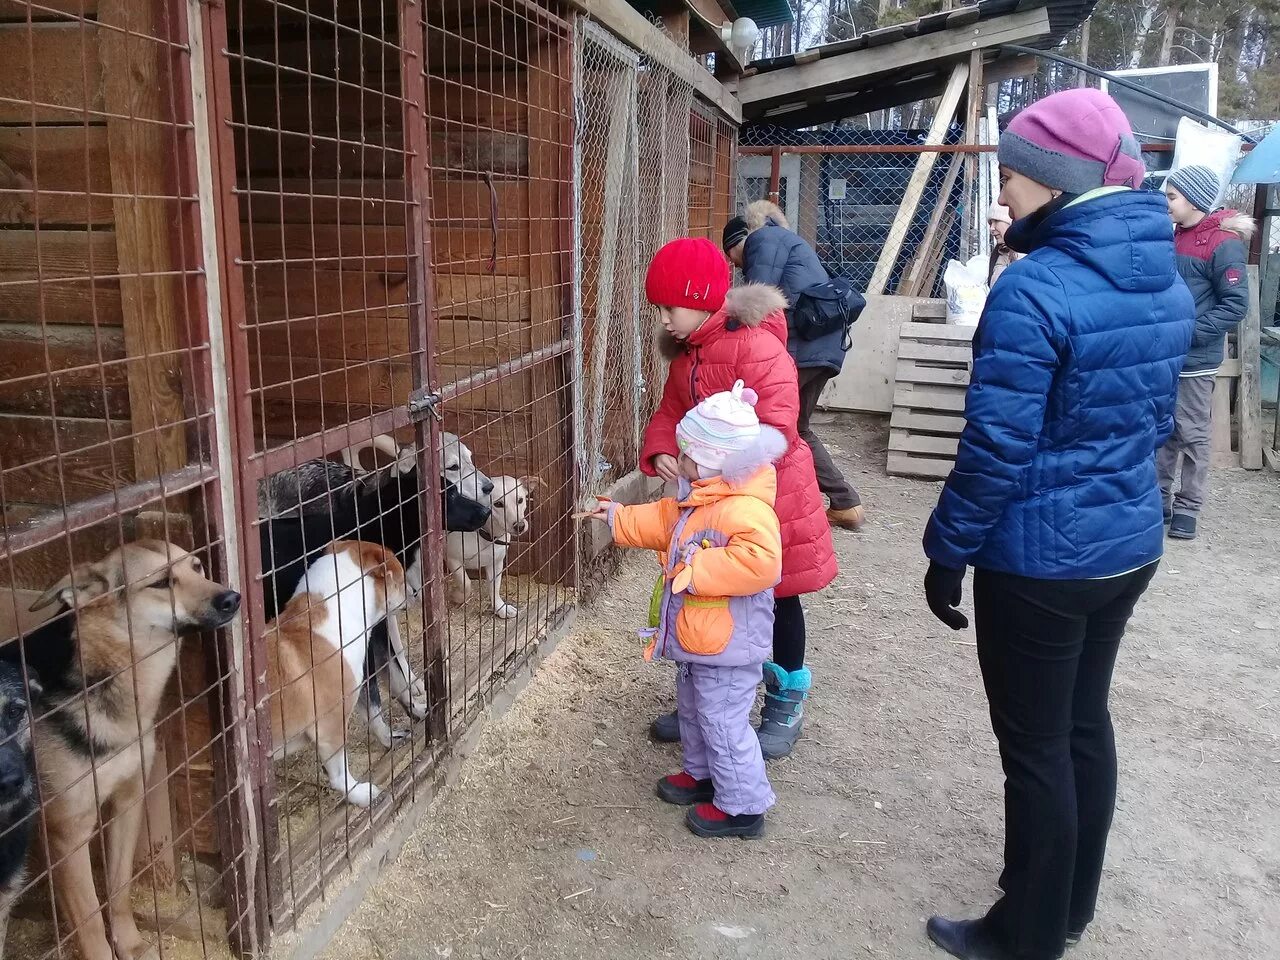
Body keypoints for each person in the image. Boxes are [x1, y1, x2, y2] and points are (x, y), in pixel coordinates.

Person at [920, 88, 1194, 960]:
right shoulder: (1163, 276)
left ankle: (1026, 935)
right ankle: (1068, 903)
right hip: (1126, 543)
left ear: (1058, 182)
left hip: (1042, 562)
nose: (1003, 195)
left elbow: (995, 448)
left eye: (1012, 178)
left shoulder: (1036, 288)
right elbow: (1150, 422)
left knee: (1036, 746)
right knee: (1083, 723)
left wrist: (946, 550)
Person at [640, 237, 837, 760]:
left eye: (669, 307)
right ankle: (707, 704)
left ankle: (784, 698)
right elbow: (670, 410)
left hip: (769, 500)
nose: (662, 320)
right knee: (710, 598)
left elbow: (780, 427)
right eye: (658, 309)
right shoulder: (688, 354)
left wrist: (715, 464)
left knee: (779, 596)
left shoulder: (755, 345)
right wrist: (662, 448)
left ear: (701, 297)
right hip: (710, 498)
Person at [586, 381, 785, 839]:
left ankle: (743, 806)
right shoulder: (700, 496)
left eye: (688, 453)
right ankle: (702, 774)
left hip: (729, 646)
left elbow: (761, 562)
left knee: (723, 719)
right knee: (695, 711)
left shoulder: (745, 509)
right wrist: (617, 516)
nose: (681, 461)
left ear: (715, 459)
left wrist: (698, 568)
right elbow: (662, 520)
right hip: (700, 639)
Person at [722, 202, 865, 532]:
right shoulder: (787, 241)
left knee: (763, 421)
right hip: (825, 348)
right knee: (796, 428)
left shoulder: (762, 240)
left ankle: (759, 503)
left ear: (737, 243)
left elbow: (755, 299)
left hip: (805, 349)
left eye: (732, 256)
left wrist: (725, 331)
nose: (736, 265)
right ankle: (845, 502)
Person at [1159, 164, 1254, 541]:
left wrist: (1189, 334)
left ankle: (1188, 506)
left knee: (1193, 433)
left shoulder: (1222, 244)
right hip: (1167, 355)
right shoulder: (1174, 236)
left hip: (1195, 359)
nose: (1166, 203)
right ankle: (1159, 499)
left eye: (1172, 196)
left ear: (1194, 199)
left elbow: (1235, 305)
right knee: (1164, 430)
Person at [986, 202, 1022, 285]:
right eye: (991, 223)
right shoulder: (1001, 252)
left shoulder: (1024, 255)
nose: (991, 228)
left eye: (996, 221)